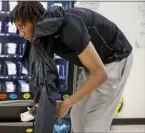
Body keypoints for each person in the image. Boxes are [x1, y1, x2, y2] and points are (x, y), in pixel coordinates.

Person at [10, 1, 133, 132]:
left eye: (22, 26)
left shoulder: (67, 28)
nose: (21, 33)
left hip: (114, 59)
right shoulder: (44, 35)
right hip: (94, 63)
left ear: (35, 19)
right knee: (78, 115)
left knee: (94, 122)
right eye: (18, 28)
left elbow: (100, 74)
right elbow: (44, 72)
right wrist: (44, 103)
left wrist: (66, 104)